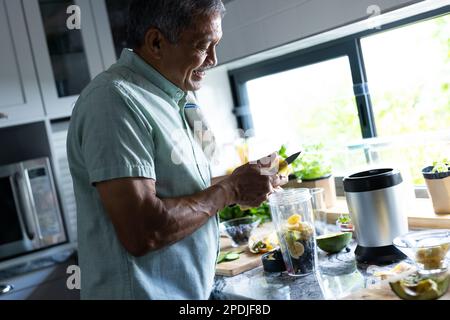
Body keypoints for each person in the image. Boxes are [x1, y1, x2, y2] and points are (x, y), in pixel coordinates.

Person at [67, 0, 287, 300]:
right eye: (203, 45)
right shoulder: (113, 100)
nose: (213, 59)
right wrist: (232, 190)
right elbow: (144, 230)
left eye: (216, 44)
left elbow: (186, 190)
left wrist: (245, 183)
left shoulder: (179, 98)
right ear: (156, 42)